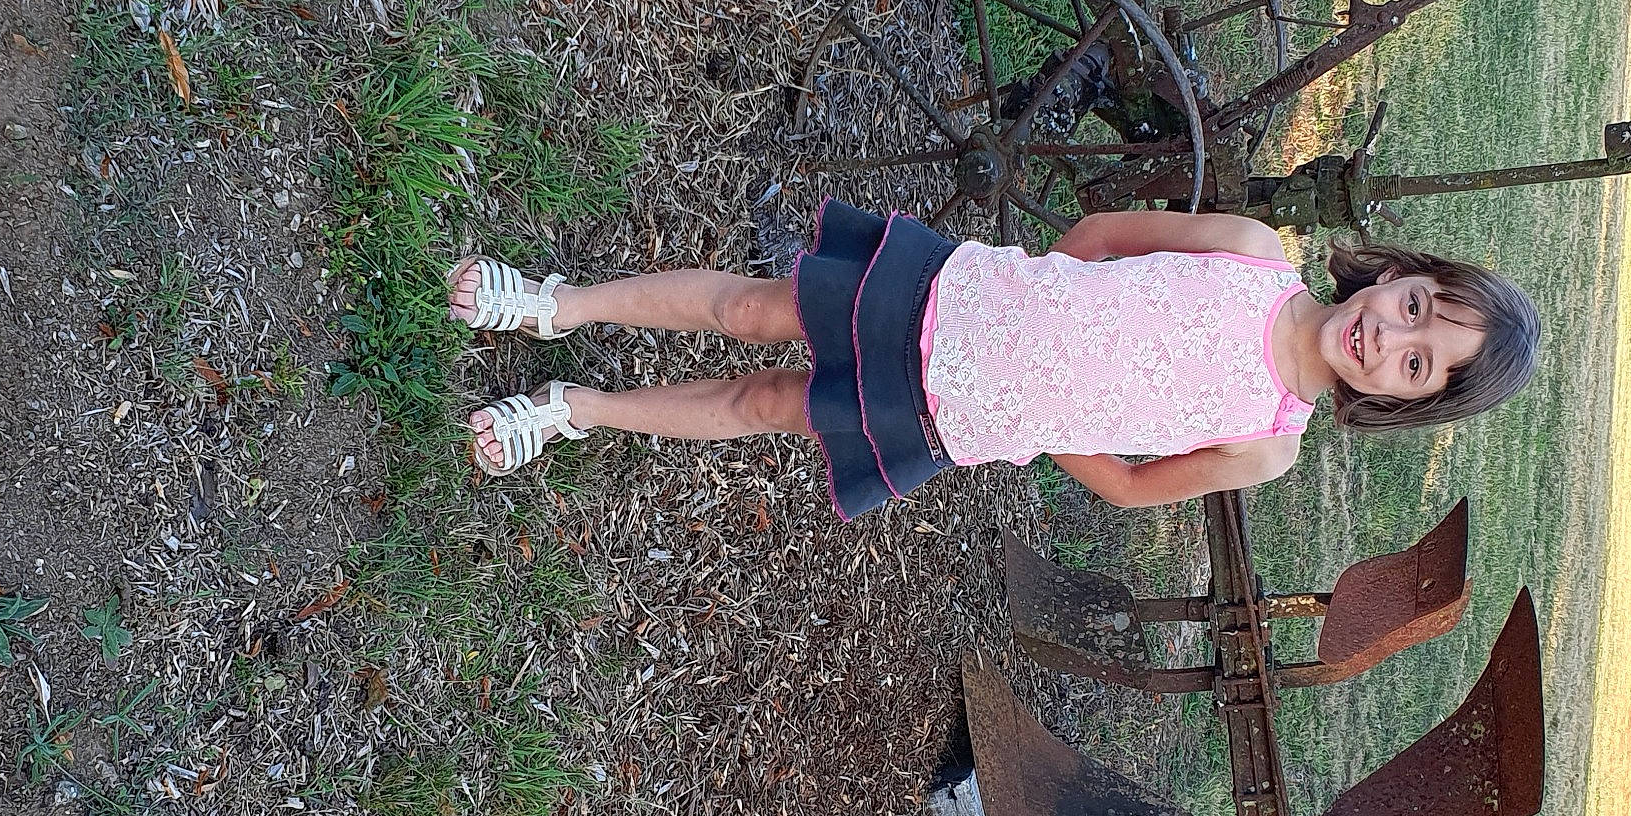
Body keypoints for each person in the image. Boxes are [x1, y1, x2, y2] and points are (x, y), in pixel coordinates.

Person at [446, 201, 1541, 516]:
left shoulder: (1265, 450)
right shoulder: (1256, 255)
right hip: (948, 294)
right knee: (751, 312)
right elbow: (1109, 237)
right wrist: (1034, 301)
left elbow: (1123, 484)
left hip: (954, 415)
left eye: (1411, 364)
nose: (1388, 337)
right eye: (1410, 308)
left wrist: (1034, 404)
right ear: (1392, 276)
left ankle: (575, 408)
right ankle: (555, 304)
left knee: (762, 403)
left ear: (1400, 403)